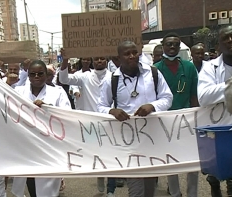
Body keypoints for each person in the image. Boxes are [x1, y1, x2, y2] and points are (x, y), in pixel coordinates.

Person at [97, 41, 173, 197]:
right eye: (126, 54)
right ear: (118, 58)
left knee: (150, 186)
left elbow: (167, 98)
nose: (132, 56)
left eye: (134, 52)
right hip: (129, 141)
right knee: (136, 187)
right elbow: (100, 106)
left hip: (152, 138)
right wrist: (112, 111)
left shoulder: (153, 73)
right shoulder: (111, 80)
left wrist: (152, 106)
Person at [11, 60, 71, 197]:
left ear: (46, 75)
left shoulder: (57, 92)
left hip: (49, 147)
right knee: (31, 183)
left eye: (40, 74)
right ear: (28, 76)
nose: (36, 77)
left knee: (48, 188)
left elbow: (67, 115)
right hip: (26, 147)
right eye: (33, 74)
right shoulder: (18, 91)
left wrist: (47, 108)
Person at [154, 32, 200, 197]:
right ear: (163, 46)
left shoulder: (188, 67)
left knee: (192, 158)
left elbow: (194, 95)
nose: (172, 47)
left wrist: (197, 117)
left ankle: (192, 193)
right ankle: (175, 193)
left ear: (179, 47)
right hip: (165, 121)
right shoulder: (155, 69)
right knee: (170, 159)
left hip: (187, 118)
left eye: (175, 44)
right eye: (169, 44)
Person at [59, 51, 111, 193]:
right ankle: (100, 176)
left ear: (106, 60)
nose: (99, 60)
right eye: (97, 58)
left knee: (112, 154)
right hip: (91, 124)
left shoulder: (114, 77)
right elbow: (64, 79)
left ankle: (111, 188)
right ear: (93, 61)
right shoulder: (84, 77)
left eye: (102, 57)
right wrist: (65, 60)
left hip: (110, 122)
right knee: (97, 154)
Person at [198, 24, 232, 197]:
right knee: (228, 177)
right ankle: (214, 184)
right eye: (225, 38)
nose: (231, 40)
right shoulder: (210, 67)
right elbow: (204, 97)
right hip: (225, 135)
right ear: (218, 46)